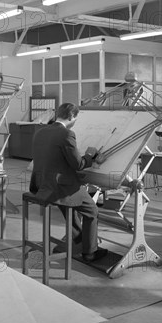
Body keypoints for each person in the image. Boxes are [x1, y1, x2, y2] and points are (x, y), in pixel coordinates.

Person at [29, 102, 108, 262]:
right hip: (60, 188)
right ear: (71, 116)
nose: (75, 121)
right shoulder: (66, 134)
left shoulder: (40, 132)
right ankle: (90, 252)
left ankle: (79, 238)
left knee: (69, 206)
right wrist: (90, 158)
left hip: (41, 186)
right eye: (76, 118)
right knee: (92, 211)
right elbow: (78, 164)